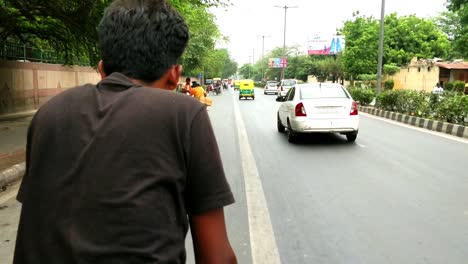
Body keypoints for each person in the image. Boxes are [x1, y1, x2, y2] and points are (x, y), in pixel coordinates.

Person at [13, 1, 237, 264]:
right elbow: (217, 256)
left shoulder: (49, 114)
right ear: (174, 76)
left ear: (101, 68)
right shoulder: (184, 114)